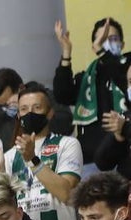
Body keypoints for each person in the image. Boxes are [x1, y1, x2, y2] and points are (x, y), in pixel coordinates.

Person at [0, 82, 83, 220]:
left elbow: (66, 193)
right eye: (24, 109)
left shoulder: (67, 144)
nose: (30, 113)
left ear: (49, 113)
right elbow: (4, 203)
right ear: (18, 115)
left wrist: (32, 160)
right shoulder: (10, 155)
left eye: (37, 108)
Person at [53, 17, 131, 162]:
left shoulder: (127, 72)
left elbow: (119, 72)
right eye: (101, 39)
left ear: (122, 43)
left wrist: (101, 50)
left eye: (112, 38)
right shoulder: (85, 78)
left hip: (125, 156)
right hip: (90, 158)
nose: (105, 42)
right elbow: (62, 95)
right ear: (93, 46)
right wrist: (66, 52)